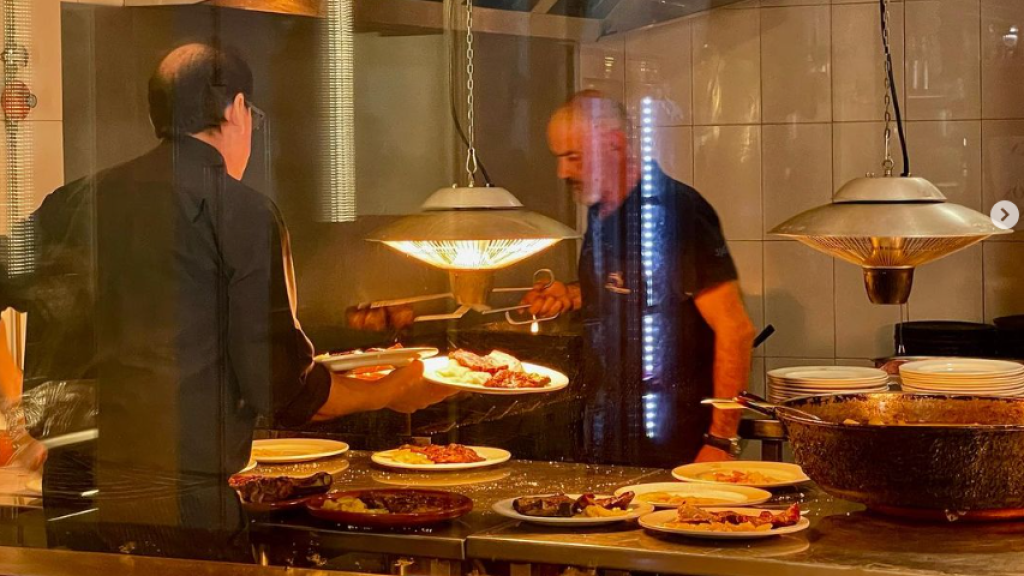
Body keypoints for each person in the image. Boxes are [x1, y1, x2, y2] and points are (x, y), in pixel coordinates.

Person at [0, 43, 453, 482]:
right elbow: (281, 389)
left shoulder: (72, 203)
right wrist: (391, 390)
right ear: (237, 109)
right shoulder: (242, 214)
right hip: (175, 493)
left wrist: (19, 406)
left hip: (71, 488)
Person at [523, 90, 755, 467]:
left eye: (573, 157)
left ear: (614, 144)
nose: (562, 172)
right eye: (559, 158)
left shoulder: (676, 212)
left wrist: (721, 440)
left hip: (677, 444)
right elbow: (632, 288)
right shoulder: (603, 211)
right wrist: (571, 294)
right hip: (610, 436)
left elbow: (736, 330)